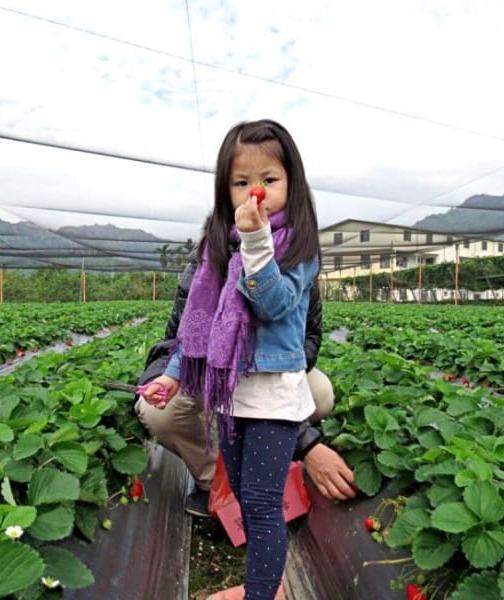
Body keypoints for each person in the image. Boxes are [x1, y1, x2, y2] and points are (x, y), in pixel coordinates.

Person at [138, 119, 347, 600]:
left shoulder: (297, 248)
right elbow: (196, 333)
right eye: (240, 183)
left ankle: (262, 594)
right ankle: (260, 585)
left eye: (269, 180)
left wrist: (256, 245)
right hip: (231, 398)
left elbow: (271, 305)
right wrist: (171, 378)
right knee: (247, 497)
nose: (255, 192)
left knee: (260, 501)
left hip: (272, 396)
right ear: (223, 190)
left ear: (291, 184)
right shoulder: (216, 249)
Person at [136, 254, 356, 510]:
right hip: (210, 370)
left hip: (278, 365)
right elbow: (181, 339)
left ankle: (274, 453)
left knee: (321, 393)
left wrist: (300, 436)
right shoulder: (207, 265)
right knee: (158, 411)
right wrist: (307, 444)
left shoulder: (298, 259)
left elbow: (310, 337)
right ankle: (218, 483)